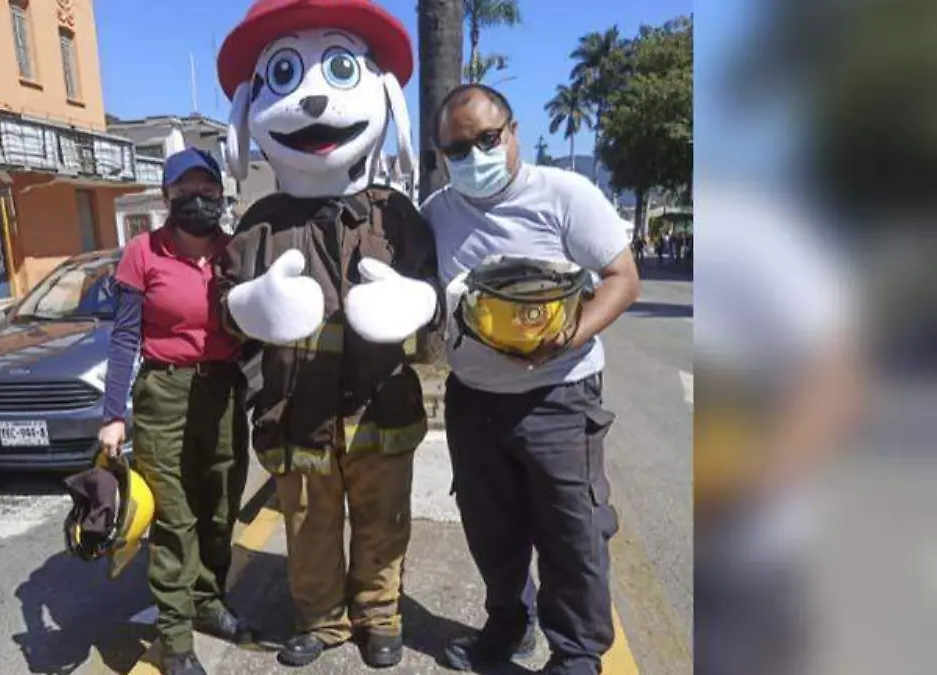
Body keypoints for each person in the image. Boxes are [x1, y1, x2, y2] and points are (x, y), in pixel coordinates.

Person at [214, 0, 439, 668]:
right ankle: (322, 619)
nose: (313, 101)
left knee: (383, 521)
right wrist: (251, 304)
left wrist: (414, 300)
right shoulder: (259, 222)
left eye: (339, 69)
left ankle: (379, 615)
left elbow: (433, 293)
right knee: (308, 526)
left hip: (380, 408)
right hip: (295, 412)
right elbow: (225, 307)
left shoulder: (396, 214)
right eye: (287, 74)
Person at [421, 84, 641, 675]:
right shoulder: (438, 213)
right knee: (492, 529)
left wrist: (569, 336)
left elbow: (622, 277)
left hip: (561, 399)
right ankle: (509, 627)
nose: (474, 155)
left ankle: (575, 655)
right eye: (457, 148)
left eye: (487, 139)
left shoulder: (566, 195)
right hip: (473, 401)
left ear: (513, 131)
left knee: (572, 532)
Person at [97, 148, 251, 675]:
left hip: (224, 390)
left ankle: (209, 601)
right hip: (163, 393)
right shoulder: (142, 252)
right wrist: (112, 413)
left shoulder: (234, 253)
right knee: (175, 518)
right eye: (186, 192)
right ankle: (176, 639)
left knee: (220, 505)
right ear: (166, 197)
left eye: (208, 191)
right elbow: (124, 339)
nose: (199, 201)